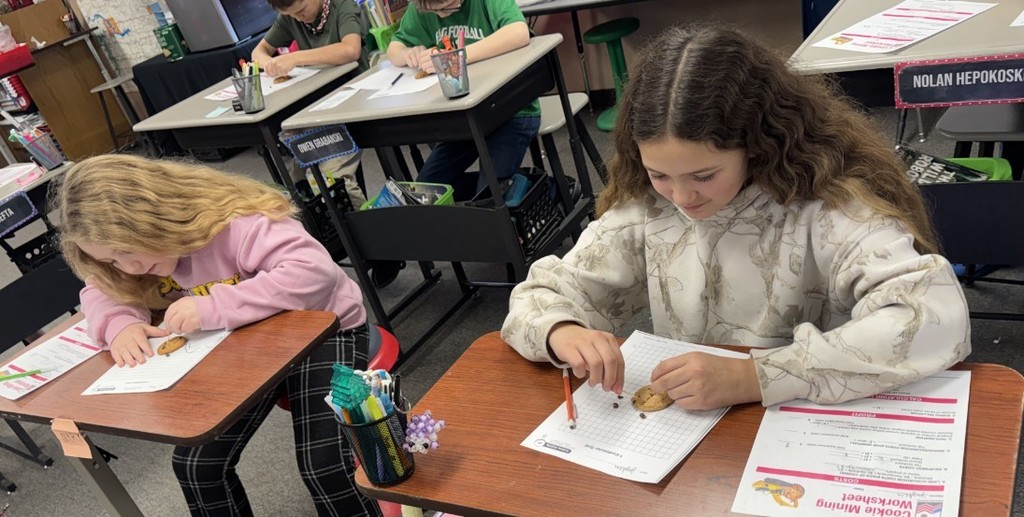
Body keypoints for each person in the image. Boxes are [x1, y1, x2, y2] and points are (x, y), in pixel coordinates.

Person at [501, 25, 971, 411]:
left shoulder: (829, 207)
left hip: (814, 419)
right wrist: (561, 330)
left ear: (759, 143)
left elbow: (932, 317)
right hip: (693, 424)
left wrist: (757, 375)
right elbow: (540, 296)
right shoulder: (648, 206)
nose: (682, 197)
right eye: (659, 173)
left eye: (704, 175)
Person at [54, 155, 381, 517]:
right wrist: (120, 324)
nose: (128, 267)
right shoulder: (129, 261)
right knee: (197, 469)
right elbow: (100, 290)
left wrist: (213, 307)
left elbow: (312, 274)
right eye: (113, 261)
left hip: (325, 330)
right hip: (241, 343)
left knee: (325, 467)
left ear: (157, 215)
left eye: (128, 250)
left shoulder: (238, 221)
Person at [386, 0, 540, 200]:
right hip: (465, 120)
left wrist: (456, 57)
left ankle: (540, 189)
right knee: (427, 193)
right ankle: (508, 190)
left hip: (511, 110)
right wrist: (408, 53)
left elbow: (519, 32)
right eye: (432, 11)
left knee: (490, 197)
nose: (441, 16)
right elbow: (394, 48)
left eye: (446, 8)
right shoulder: (424, 4)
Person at [253, 0, 368, 207]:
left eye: (302, 11)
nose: (299, 18)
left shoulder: (343, 6)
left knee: (330, 178)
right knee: (297, 176)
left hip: (349, 102)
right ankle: (326, 229)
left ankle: (363, 227)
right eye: (293, 15)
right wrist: (270, 64)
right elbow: (258, 52)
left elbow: (351, 50)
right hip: (315, 109)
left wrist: (296, 58)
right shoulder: (290, 16)